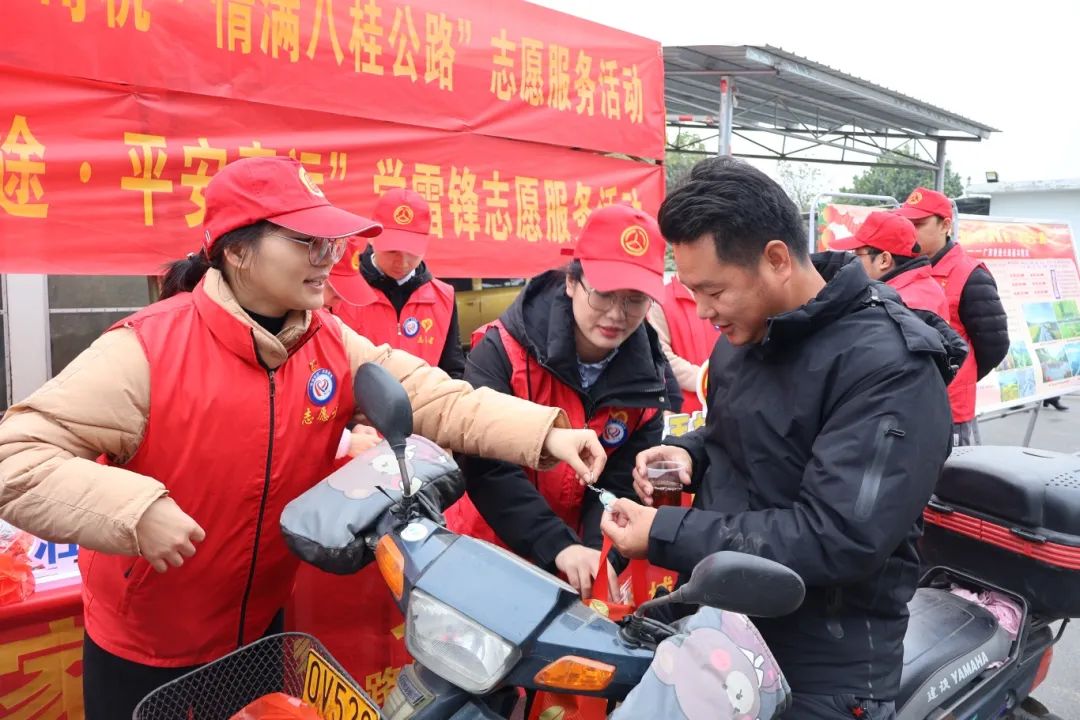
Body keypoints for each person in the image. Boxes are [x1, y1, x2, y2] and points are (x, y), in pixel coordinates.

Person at [0, 156, 606, 719]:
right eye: (307, 242)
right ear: (237, 251)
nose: (328, 258)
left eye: (331, 243)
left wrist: (546, 432)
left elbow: (435, 396)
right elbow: (15, 457)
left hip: (262, 633)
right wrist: (134, 511)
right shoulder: (146, 349)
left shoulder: (328, 341)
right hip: (147, 647)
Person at [599, 158, 964, 719]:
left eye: (713, 291)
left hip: (820, 664)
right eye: (692, 291)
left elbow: (836, 536)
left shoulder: (889, 369)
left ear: (775, 259)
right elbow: (742, 435)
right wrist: (692, 454)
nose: (702, 311)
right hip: (722, 624)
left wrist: (663, 532)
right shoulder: (746, 334)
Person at [444, 204, 680, 600]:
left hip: (576, 567)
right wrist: (557, 545)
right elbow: (485, 466)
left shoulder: (648, 385)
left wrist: (595, 552)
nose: (616, 315)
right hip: (488, 549)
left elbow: (617, 482)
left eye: (635, 299)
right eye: (603, 294)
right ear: (572, 282)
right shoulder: (502, 351)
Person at [895, 187, 1008, 445]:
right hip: (906, 401)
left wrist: (958, 376)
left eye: (918, 224)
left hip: (950, 408)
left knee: (952, 470)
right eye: (906, 223)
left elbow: (994, 345)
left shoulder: (971, 275)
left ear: (945, 225)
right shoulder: (902, 267)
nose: (910, 231)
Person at [329, 187, 466, 378]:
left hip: (424, 397)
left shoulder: (443, 297)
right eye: (392, 250)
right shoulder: (340, 291)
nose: (402, 262)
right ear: (371, 237)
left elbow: (453, 369)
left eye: (412, 252)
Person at [830, 211, 949, 321]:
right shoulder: (915, 287)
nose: (852, 262)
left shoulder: (899, 305)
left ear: (884, 260)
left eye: (857, 255)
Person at [647, 276, 722, 413]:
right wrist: (704, 379)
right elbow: (661, 356)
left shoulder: (722, 294)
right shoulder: (661, 300)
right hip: (682, 412)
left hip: (723, 401)